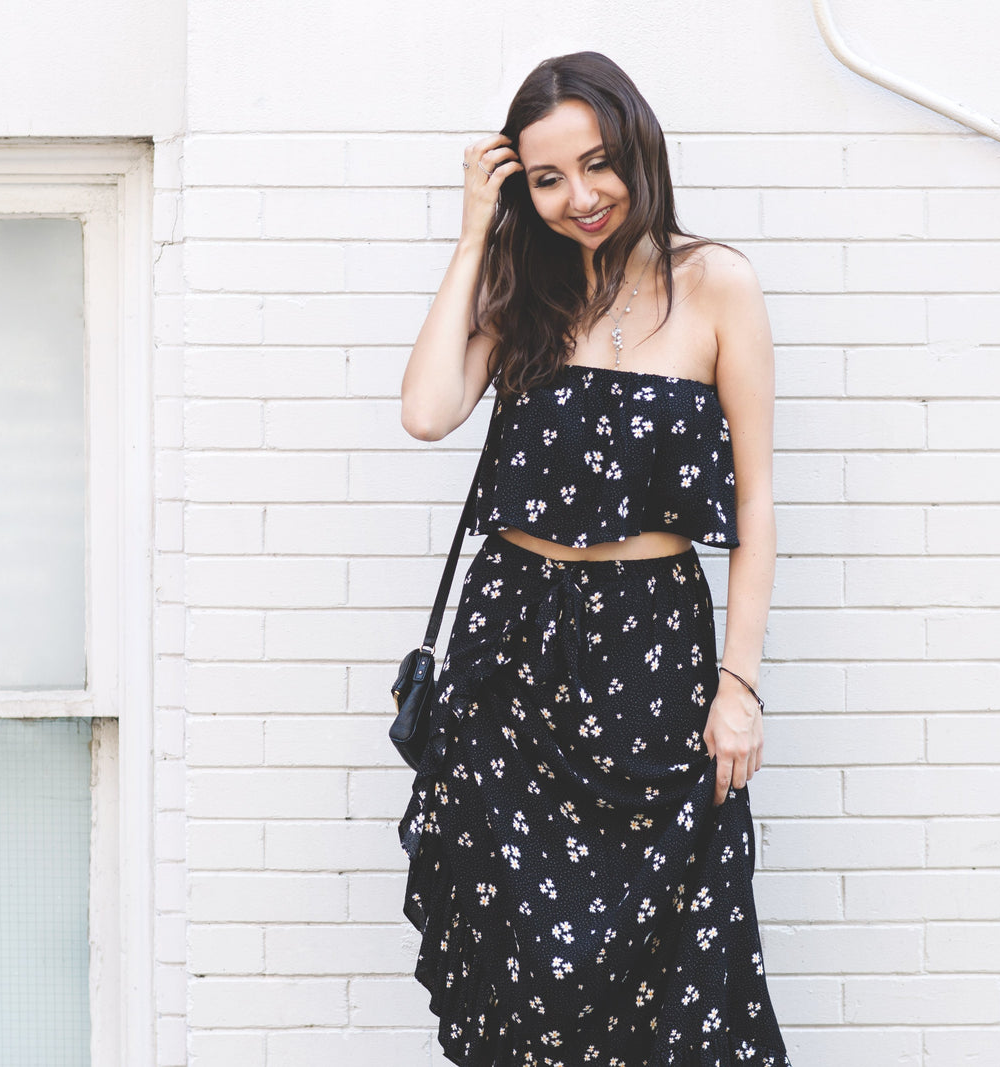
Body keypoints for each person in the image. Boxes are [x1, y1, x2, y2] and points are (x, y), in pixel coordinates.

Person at [397, 51, 790, 1067]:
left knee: (678, 958)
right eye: (545, 178)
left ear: (638, 149)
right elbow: (428, 409)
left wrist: (737, 682)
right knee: (522, 970)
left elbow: (755, 504)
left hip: (650, 656)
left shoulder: (716, 285)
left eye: (598, 164)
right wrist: (473, 234)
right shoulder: (520, 287)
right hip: (512, 649)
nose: (579, 197)